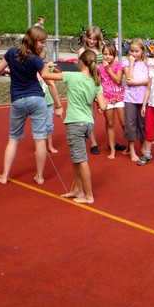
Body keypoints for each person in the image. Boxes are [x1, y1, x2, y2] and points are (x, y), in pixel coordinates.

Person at [0, 26, 62, 185]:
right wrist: (58, 103)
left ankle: (4, 176)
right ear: (33, 41)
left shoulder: (11, 52)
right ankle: (40, 176)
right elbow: (47, 79)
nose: (43, 45)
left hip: (18, 99)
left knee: (13, 138)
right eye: (42, 42)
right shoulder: (36, 59)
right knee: (40, 138)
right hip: (36, 99)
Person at [51, 49, 107, 204]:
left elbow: (45, 75)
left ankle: (88, 195)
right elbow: (103, 105)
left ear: (81, 62)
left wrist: (47, 66)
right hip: (88, 122)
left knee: (81, 159)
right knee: (76, 158)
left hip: (75, 122)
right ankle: (77, 189)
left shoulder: (72, 76)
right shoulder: (95, 82)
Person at [123, 38, 150, 162]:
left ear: (142, 51)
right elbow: (129, 79)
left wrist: (136, 82)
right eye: (132, 51)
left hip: (144, 98)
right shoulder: (127, 63)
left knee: (143, 123)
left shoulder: (148, 62)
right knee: (130, 123)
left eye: (136, 51)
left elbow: (150, 80)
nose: (134, 54)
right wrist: (131, 63)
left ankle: (143, 147)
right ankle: (132, 150)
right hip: (130, 98)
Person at [99, 40, 127, 159]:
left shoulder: (119, 65)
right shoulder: (99, 68)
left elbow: (118, 80)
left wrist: (108, 69)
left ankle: (130, 146)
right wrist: (99, 101)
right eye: (105, 54)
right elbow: (98, 83)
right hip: (107, 98)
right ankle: (112, 148)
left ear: (114, 54)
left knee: (123, 122)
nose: (107, 57)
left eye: (110, 54)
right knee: (110, 123)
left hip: (119, 97)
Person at [79, 25, 104, 154]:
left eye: (94, 39)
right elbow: (82, 68)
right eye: (89, 38)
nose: (91, 41)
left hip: (102, 83)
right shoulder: (82, 50)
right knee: (90, 114)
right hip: (88, 84)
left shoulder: (102, 50)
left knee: (106, 110)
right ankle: (93, 142)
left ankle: (112, 141)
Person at [38, 50, 63, 154]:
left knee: (49, 124)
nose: (40, 62)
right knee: (39, 125)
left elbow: (60, 73)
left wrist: (51, 66)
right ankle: (40, 146)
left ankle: (50, 145)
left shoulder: (47, 69)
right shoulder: (33, 70)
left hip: (48, 101)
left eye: (42, 59)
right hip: (38, 102)